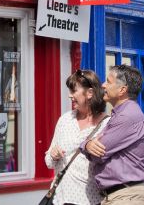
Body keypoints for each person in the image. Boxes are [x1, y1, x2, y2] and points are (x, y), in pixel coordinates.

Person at [81, 65, 144, 205]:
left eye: (108, 81)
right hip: (119, 196)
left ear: (122, 90)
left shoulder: (126, 117)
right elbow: (92, 146)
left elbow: (98, 153)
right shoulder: (122, 114)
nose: (103, 85)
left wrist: (87, 145)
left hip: (124, 197)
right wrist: (87, 144)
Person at [45, 69, 110, 205]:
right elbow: (49, 161)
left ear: (90, 93)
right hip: (59, 198)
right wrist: (53, 154)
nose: (70, 96)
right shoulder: (65, 120)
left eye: (74, 91)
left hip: (89, 200)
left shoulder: (107, 124)